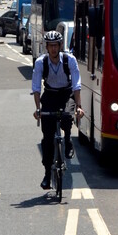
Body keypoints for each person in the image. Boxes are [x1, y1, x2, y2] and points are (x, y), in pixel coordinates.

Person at [32, 30, 84, 190]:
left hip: (66, 94)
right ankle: (48, 174)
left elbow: (76, 84)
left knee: (68, 116)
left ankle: (67, 140)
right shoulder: (41, 62)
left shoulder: (70, 60)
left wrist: (79, 107)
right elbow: (35, 87)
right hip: (49, 96)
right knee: (47, 140)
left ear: (61, 46)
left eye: (56, 46)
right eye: (50, 46)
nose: (53, 49)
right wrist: (38, 109)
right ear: (46, 47)